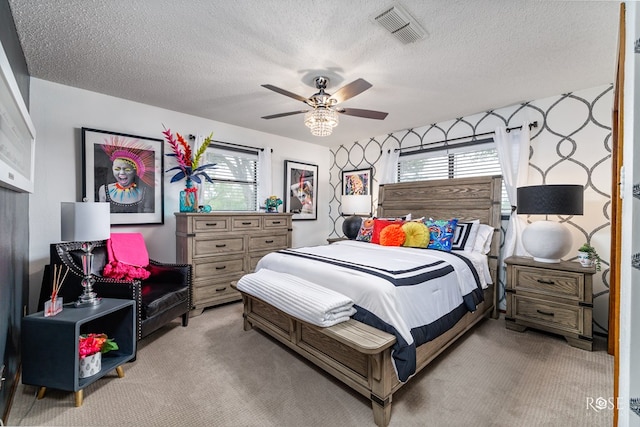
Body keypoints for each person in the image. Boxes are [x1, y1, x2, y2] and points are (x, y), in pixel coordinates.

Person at [98, 138, 155, 213]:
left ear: (135, 171)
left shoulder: (145, 191)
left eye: (127, 169)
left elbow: (148, 217)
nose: (121, 173)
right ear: (112, 169)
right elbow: (101, 216)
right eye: (117, 169)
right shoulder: (104, 190)